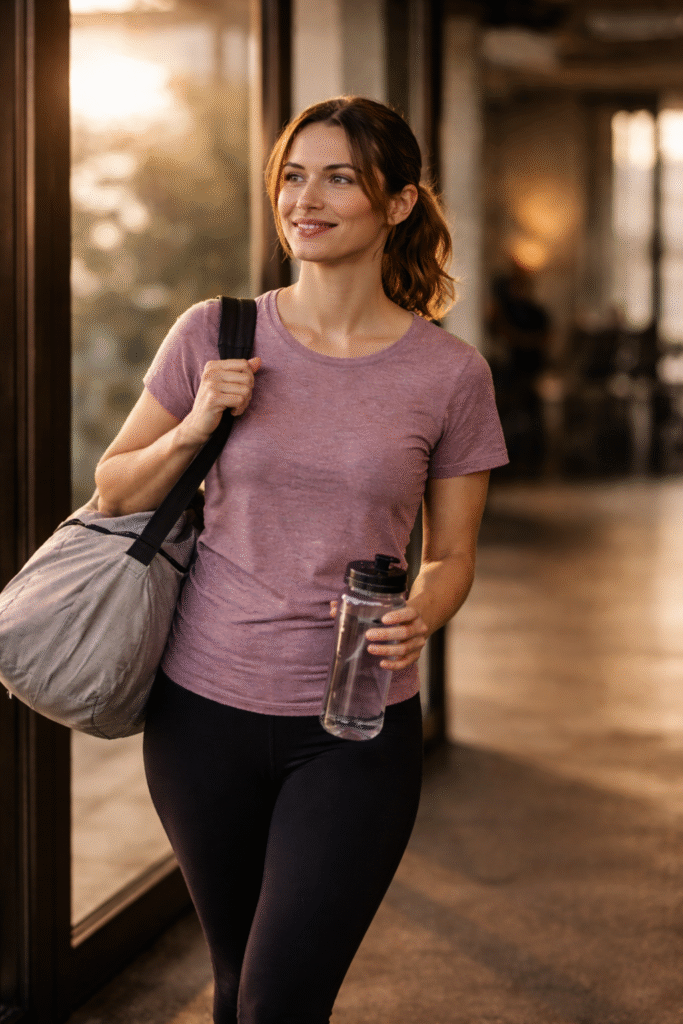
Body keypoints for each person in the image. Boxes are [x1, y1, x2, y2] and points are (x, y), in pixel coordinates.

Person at [95, 96, 509, 1024]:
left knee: (279, 1001)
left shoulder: (449, 376)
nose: (303, 199)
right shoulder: (217, 332)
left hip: (354, 730)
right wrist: (198, 423)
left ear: (396, 203)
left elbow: (451, 556)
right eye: (291, 174)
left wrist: (426, 612)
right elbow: (115, 489)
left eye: (336, 177)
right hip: (200, 713)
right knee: (239, 984)